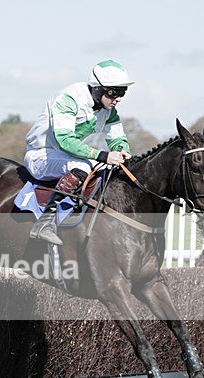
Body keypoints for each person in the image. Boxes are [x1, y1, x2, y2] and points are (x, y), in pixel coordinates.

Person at [24, 60, 134, 245]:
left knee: (108, 169)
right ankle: (44, 223)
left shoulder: (109, 111)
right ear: (97, 89)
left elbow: (117, 140)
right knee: (84, 166)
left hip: (64, 157)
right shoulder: (69, 99)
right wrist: (103, 155)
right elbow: (65, 140)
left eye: (122, 92)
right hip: (40, 155)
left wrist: (122, 152)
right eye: (113, 92)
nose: (118, 98)